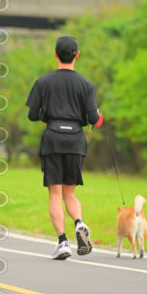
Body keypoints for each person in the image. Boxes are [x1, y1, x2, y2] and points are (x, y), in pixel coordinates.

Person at [26, 36, 103, 260]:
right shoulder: (86, 84)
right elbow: (93, 118)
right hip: (76, 141)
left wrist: (49, 116)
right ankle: (79, 223)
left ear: (55, 54)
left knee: (55, 193)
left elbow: (32, 115)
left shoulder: (43, 81)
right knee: (70, 193)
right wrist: (98, 117)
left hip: (52, 139)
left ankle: (63, 242)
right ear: (77, 55)